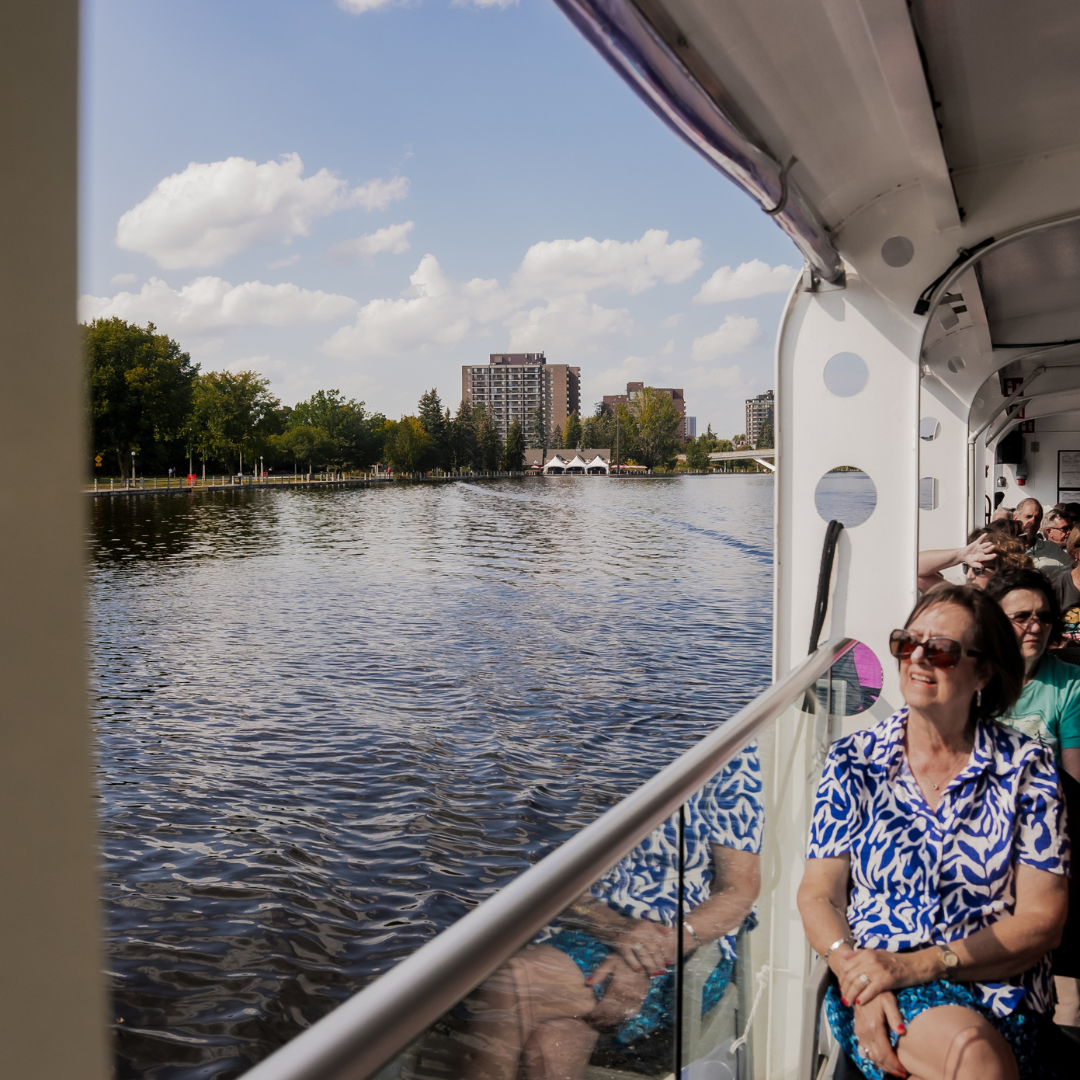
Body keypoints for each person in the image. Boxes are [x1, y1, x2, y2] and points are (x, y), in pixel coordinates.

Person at [798, 585, 1069, 1080]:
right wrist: (855, 973)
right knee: (972, 1055)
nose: (917, 658)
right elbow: (819, 895)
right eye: (906, 643)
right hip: (884, 983)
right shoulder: (854, 762)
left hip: (1001, 989)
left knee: (974, 1052)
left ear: (984, 670)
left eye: (940, 649)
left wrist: (922, 965)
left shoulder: (1026, 768)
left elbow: (1042, 920)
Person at [459, 751, 763, 1080]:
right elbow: (549, 863)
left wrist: (650, 955)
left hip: (687, 947)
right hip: (585, 928)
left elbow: (738, 890)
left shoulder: (729, 749)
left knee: (512, 982)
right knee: (552, 1039)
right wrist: (614, 927)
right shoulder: (593, 728)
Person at [984, 569, 1080, 1029]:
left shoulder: (1069, 684)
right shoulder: (972, 678)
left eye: (1044, 617)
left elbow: (1073, 782)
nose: (1035, 627)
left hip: (1043, 833)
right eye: (1022, 617)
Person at [918, 528, 1032, 592]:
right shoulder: (965, 601)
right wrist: (960, 555)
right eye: (967, 567)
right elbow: (916, 571)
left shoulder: (1017, 611)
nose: (969, 575)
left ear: (1003, 573)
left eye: (978, 570)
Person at [1016, 498, 1072, 572]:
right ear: (1015, 518)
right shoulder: (1005, 548)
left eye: (1037, 518)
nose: (1033, 521)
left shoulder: (1052, 548)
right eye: (1028, 516)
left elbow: (1073, 572)